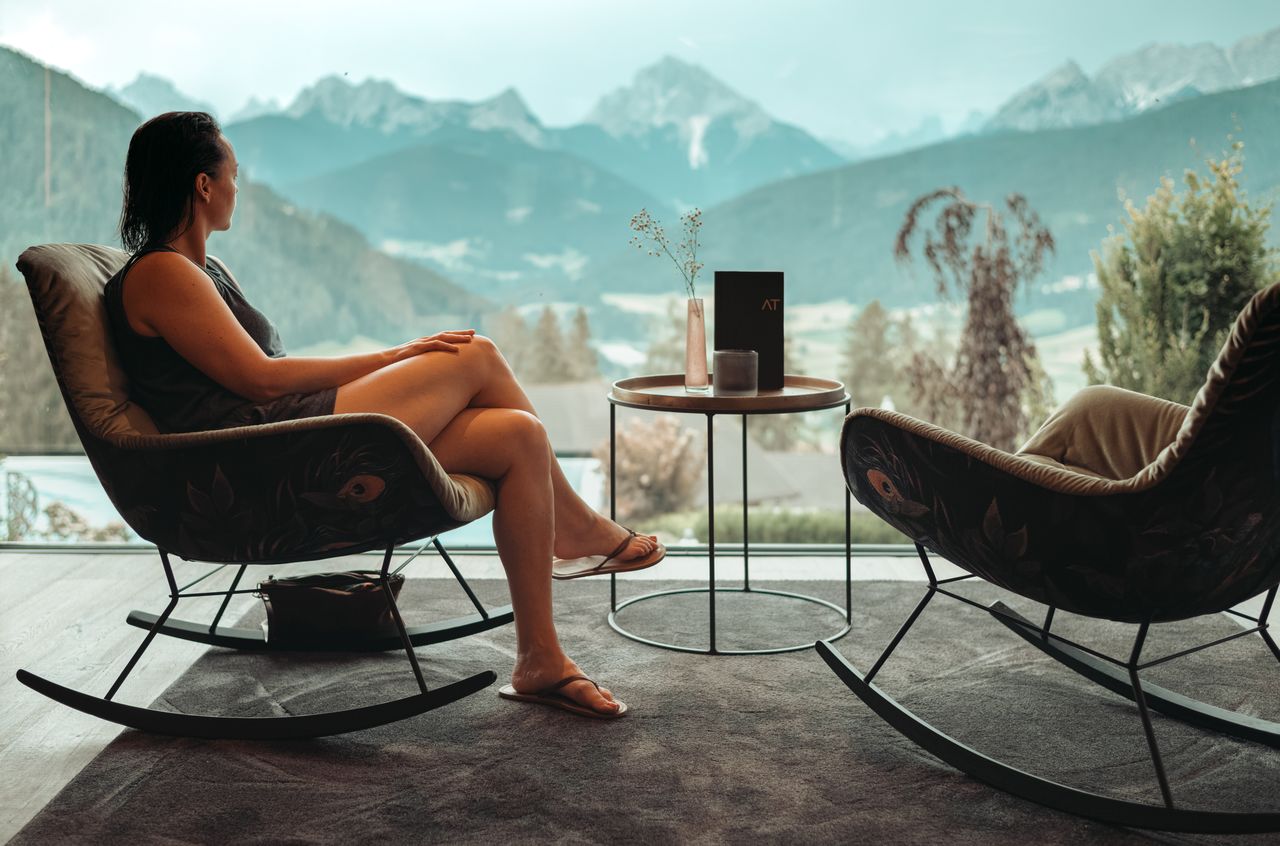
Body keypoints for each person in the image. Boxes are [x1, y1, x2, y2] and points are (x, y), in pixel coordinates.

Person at [104, 111, 665, 719]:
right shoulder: (162, 272)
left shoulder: (203, 270)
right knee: (474, 355)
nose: (240, 186)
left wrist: (389, 366)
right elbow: (258, 379)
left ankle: (540, 660)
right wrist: (394, 356)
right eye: (233, 173)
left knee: (518, 436)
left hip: (285, 436)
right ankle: (576, 528)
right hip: (260, 456)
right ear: (203, 184)